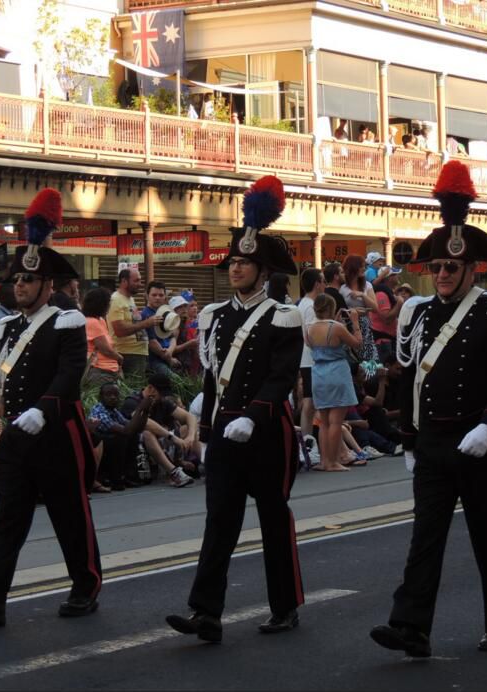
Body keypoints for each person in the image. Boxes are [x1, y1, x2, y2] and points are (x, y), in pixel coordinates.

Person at [370, 160, 487, 658]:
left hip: (480, 441)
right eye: (435, 267)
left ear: (471, 269)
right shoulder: (419, 313)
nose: (440, 274)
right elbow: (412, 380)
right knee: (425, 537)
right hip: (435, 442)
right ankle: (410, 626)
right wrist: (410, 440)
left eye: (450, 268)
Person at [0, 188, 103, 627]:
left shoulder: (66, 321)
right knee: (9, 519)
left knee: (69, 514)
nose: (19, 285)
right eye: (16, 279)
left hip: (55, 433)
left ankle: (86, 586)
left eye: (28, 280)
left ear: (47, 285)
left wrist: (43, 409)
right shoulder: (7, 327)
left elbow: (69, 374)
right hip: (18, 435)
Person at [165, 176, 305, 642]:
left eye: (245, 263)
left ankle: (285, 605)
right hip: (225, 431)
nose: (236, 268)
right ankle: (205, 612)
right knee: (219, 523)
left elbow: (282, 376)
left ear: (263, 271)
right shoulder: (215, 316)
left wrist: (254, 414)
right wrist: (206, 433)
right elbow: (211, 378)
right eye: (233, 262)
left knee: (273, 519)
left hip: (266, 432)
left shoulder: (283, 315)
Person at [307, 293, 362, 472]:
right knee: (336, 421)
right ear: (331, 308)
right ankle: (333, 461)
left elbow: (313, 346)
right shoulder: (337, 327)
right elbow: (357, 343)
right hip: (336, 371)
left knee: (324, 421)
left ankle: (325, 460)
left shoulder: (309, 328)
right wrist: (355, 322)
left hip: (318, 373)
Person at [108, 268, 162, 381]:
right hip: (127, 354)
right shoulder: (116, 300)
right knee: (134, 389)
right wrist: (146, 323)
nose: (140, 284)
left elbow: (132, 322)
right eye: (136, 281)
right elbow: (119, 331)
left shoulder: (130, 299)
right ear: (124, 281)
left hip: (137, 354)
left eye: (140, 280)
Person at [298, 268, 326, 443]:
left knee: (310, 401)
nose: (325, 285)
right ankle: (307, 440)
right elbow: (309, 335)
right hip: (310, 359)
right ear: (317, 284)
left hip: (307, 359)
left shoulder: (305, 303)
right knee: (310, 402)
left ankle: (307, 440)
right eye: (323, 281)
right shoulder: (309, 306)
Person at [341, 254, 379, 362]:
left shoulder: (367, 285)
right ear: (354, 267)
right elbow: (340, 310)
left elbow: (375, 308)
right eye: (362, 266)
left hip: (365, 326)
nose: (364, 269)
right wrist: (352, 312)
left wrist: (362, 295)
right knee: (352, 358)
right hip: (348, 326)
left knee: (369, 360)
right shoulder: (342, 288)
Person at [82, 287, 123, 387]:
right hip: (99, 370)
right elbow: (106, 350)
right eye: (108, 303)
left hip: (110, 369)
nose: (109, 306)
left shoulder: (100, 320)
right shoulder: (92, 322)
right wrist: (120, 358)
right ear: (101, 305)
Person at [141, 281, 181, 376]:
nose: (157, 298)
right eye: (154, 295)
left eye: (161, 295)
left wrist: (170, 351)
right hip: (154, 360)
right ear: (147, 296)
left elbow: (172, 337)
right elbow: (151, 342)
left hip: (168, 356)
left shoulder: (166, 313)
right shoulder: (145, 315)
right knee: (176, 381)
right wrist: (169, 358)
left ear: (165, 297)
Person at [370, 266, 403, 361]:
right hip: (383, 342)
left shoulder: (388, 292)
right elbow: (386, 319)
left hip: (388, 340)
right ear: (389, 278)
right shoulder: (381, 294)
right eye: (396, 274)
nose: (398, 276)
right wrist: (399, 303)